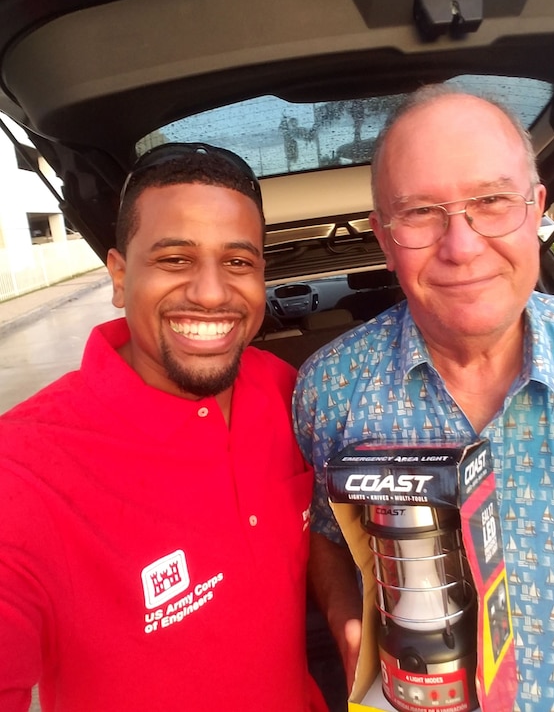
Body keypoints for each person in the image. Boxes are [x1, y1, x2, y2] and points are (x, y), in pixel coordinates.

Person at [293, 85, 554, 711]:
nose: (461, 247)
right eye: (420, 213)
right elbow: (325, 534)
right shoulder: (329, 389)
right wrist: (338, 612)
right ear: (384, 237)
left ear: (537, 207)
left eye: (490, 201)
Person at [0, 143, 328, 712]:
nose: (210, 292)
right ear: (119, 275)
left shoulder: (284, 390)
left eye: (238, 262)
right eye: (175, 259)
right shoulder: (23, 469)